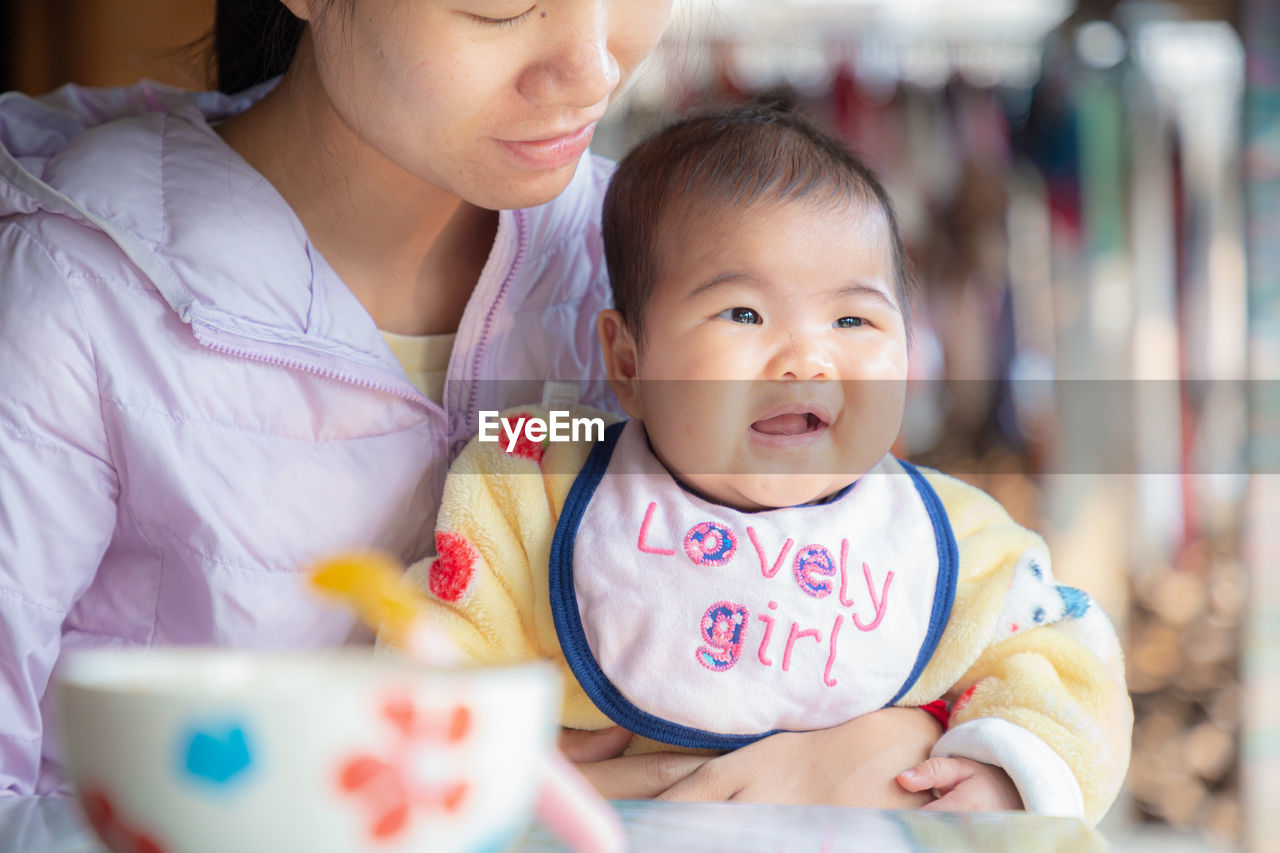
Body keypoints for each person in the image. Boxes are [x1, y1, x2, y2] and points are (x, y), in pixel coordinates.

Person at [0, 0, 944, 801]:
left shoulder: (668, 276)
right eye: (500, 3)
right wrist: (417, 782)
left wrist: (894, 746)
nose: (590, 65)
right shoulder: (73, 291)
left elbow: (865, 575)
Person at [413, 105, 1133, 823]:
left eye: (852, 319)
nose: (807, 358)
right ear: (629, 363)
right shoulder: (539, 491)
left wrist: (1012, 771)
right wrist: (494, 767)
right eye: (744, 314)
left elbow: (1068, 666)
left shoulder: (955, 538)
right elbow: (433, 660)